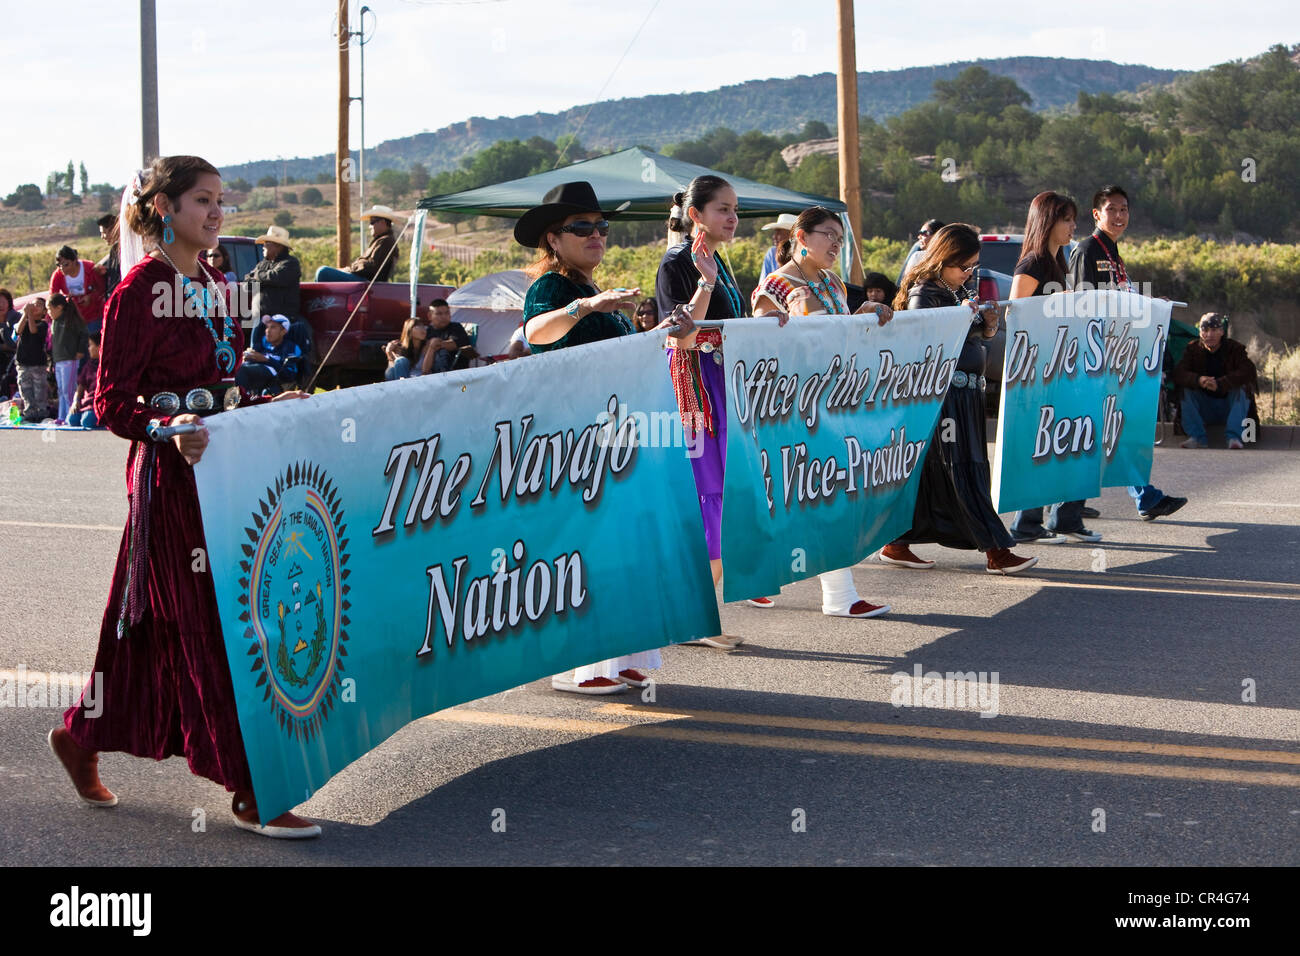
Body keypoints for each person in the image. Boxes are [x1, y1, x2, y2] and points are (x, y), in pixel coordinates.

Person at [46, 154, 318, 839]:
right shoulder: (137, 292)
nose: (217, 211)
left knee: (146, 628)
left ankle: (83, 734)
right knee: (214, 626)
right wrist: (167, 429)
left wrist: (264, 400)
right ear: (164, 207)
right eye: (202, 200)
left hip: (224, 474)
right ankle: (252, 787)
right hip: (172, 483)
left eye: (220, 199)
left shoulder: (215, 281)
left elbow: (217, 384)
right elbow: (110, 403)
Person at [660, 180, 886, 624]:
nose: (732, 218)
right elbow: (681, 335)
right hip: (704, 390)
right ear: (696, 214)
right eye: (723, 209)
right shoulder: (681, 263)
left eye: (736, 210)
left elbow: (743, 327)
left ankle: (757, 583)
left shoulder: (718, 261)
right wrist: (712, 288)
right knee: (720, 495)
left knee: (776, 491)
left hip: (745, 386)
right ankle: (694, 611)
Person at [518, 180, 695, 692]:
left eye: (601, 226)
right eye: (582, 228)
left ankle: (619, 657)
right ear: (554, 239)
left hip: (613, 429)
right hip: (577, 433)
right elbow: (535, 334)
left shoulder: (594, 289)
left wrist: (663, 331)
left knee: (624, 545)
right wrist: (586, 310)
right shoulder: (555, 289)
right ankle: (584, 668)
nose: (596, 235)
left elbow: (620, 357)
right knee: (591, 546)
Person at [751, 206, 900, 611]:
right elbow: (763, 345)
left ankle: (761, 572)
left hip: (835, 400)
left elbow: (841, 331)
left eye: (839, 237)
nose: (835, 243)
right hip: (793, 408)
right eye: (827, 235)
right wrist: (800, 323)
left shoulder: (833, 281)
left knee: (818, 495)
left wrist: (865, 313)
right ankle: (837, 594)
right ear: (800, 237)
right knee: (814, 496)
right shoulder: (774, 286)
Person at [872, 224, 1038, 575]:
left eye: (973, 266)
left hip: (965, 392)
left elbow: (974, 336)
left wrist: (988, 323)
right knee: (964, 468)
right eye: (963, 266)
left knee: (942, 471)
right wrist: (964, 315)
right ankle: (996, 550)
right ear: (942, 259)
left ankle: (897, 541)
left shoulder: (955, 288)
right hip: (945, 396)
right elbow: (924, 341)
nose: (969, 273)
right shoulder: (924, 292)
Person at [1070, 185, 1187, 520]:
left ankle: (1076, 504)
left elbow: (1123, 299)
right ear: (1096, 214)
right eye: (1112, 210)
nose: (1119, 216)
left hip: (1115, 353)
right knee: (1096, 430)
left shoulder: (1113, 253)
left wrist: (1151, 306)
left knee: (1108, 430)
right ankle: (1062, 508)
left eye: (1124, 209)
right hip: (1095, 358)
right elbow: (1081, 306)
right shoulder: (1087, 251)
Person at [1004, 191, 1102, 545]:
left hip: (1058, 366)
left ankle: (1050, 519)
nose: (1073, 226)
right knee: (1039, 443)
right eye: (1066, 219)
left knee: (1054, 443)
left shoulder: (1058, 263)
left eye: (1074, 219)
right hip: (1036, 370)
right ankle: (1026, 524)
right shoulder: (1032, 263)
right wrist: (1056, 304)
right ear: (1047, 222)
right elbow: (1014, 311)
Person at [1175, 312, 1258, 449]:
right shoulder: (1192, 349)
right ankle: (1197, 437)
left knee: (1243, 389)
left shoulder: (1234, 349)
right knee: (1186, 389)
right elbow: (1179, 373)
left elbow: (1248, 371)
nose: (1209, 335)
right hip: (1204, 408)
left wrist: (1221, 384)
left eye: (1213, 330)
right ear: (1200, 332)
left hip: (1229, 407)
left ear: (1221, 332)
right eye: (1205, 330)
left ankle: (1234, 437)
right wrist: (1199, 380)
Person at [243, 225, 304, 352]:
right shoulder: (262, 264)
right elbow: (247, 284)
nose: (263, 246)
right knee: (254, 352)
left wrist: (258, 276)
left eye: (267, 243)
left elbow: (276, 277)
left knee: (275, 356)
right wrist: (262, 278)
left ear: (278, 246)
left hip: (281, 322)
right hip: (260, 319)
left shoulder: (290, 263)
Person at [315, 205, 401, 282]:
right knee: (324, 272)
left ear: (382, 222)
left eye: (372, 222)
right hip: (363, 280)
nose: (370, 226)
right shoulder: (382, 240)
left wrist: (352, 268)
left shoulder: (386, 241)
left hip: (367, 283)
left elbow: (371, 267)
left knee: (323, 272)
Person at [236, 314, 303, 395]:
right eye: (267, 327)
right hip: (255, 373)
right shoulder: (265, 345)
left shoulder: (291, 347)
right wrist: (248, 357)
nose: (268, 330)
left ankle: (239, 400)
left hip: (273, 377)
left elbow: (289, 374)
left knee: (242, 370)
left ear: (283, 331)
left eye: (273, 327)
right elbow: (256, 334)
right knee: (236, 367)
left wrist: (267, 360)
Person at [47, 293, 87, 423]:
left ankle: (72, 416)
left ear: (59, 307)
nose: (48, 312)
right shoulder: (55, 322)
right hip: (59, 360)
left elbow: (83, 333)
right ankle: (62, 416)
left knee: (68, 389)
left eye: (50, 308)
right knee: (61, 390)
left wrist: (80, 350)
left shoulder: (71, 319)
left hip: (70, 359)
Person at [49, 245, 105, 335]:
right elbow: (53, 299)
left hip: (94, 315)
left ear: (75, 261)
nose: (62, 268)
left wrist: (90, 297)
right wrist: (66, 300)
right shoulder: (57, 275)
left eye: (66, 264)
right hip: (73, 318)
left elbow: (102, 288)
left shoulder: (89, 268)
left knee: (95, 343)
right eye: (59, 265)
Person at [14, 299, 50, 422]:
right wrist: (25, 314)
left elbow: (33, 331)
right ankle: (30, 411)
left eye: (39, 306)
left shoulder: (43, 324)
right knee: (25, 390)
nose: (35, 307)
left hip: (37, 363)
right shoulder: (25, 320)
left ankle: (42, 411)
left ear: (44, 311)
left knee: (39, 390)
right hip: (23, 362)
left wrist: (29, 314)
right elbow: (18, 330)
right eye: (34, 304)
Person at [422, 298, 476, 373]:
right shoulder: (427, 331)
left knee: (442, 352)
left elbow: (455, 344)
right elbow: (421, 348)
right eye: (439, 314)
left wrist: (433, 345)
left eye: (447, 313)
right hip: (430, 368)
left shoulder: (456, 327)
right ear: (429, 316)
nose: (444, 316)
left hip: (455, 370)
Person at [68, 332, 102, 428]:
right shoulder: (88, 366)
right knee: (72, 420)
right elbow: (80, 386)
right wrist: (76, 401)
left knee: (86, 421)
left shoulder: (107, 366)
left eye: (90, 345)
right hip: (87, 403)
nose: (88, 349)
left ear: (99, 347)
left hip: (98, 405)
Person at [897, 219, 944, 287]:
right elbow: (907, 283)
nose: (919, 237)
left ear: (938, 235)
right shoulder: (917, 256)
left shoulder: (951, 259)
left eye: (925, 233)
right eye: (920, 233)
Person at [759, 212, 798, 280]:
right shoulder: (772, 253)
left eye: (779, 232)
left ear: (791, 235)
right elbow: (763, 284)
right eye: (775, 232)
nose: (774, 236)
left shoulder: (802, 256)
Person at [95, 215, 122, 300]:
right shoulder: (115, 250)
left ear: (114, 230)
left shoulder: (122, 249)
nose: (102, 237)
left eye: (104, 233)